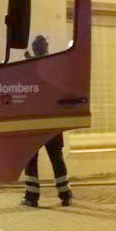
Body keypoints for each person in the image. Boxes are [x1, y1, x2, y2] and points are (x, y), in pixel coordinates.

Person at [21, 35, 74, 207]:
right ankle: (65, 194)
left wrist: (28, 62)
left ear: (35, 48)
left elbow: (27, 92)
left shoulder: (29, 69)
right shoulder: (55, 67)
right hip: (52, 123)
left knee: (30, 159)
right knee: (57, 158)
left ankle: (31, 197)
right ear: (46, 48)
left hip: (33, 123)